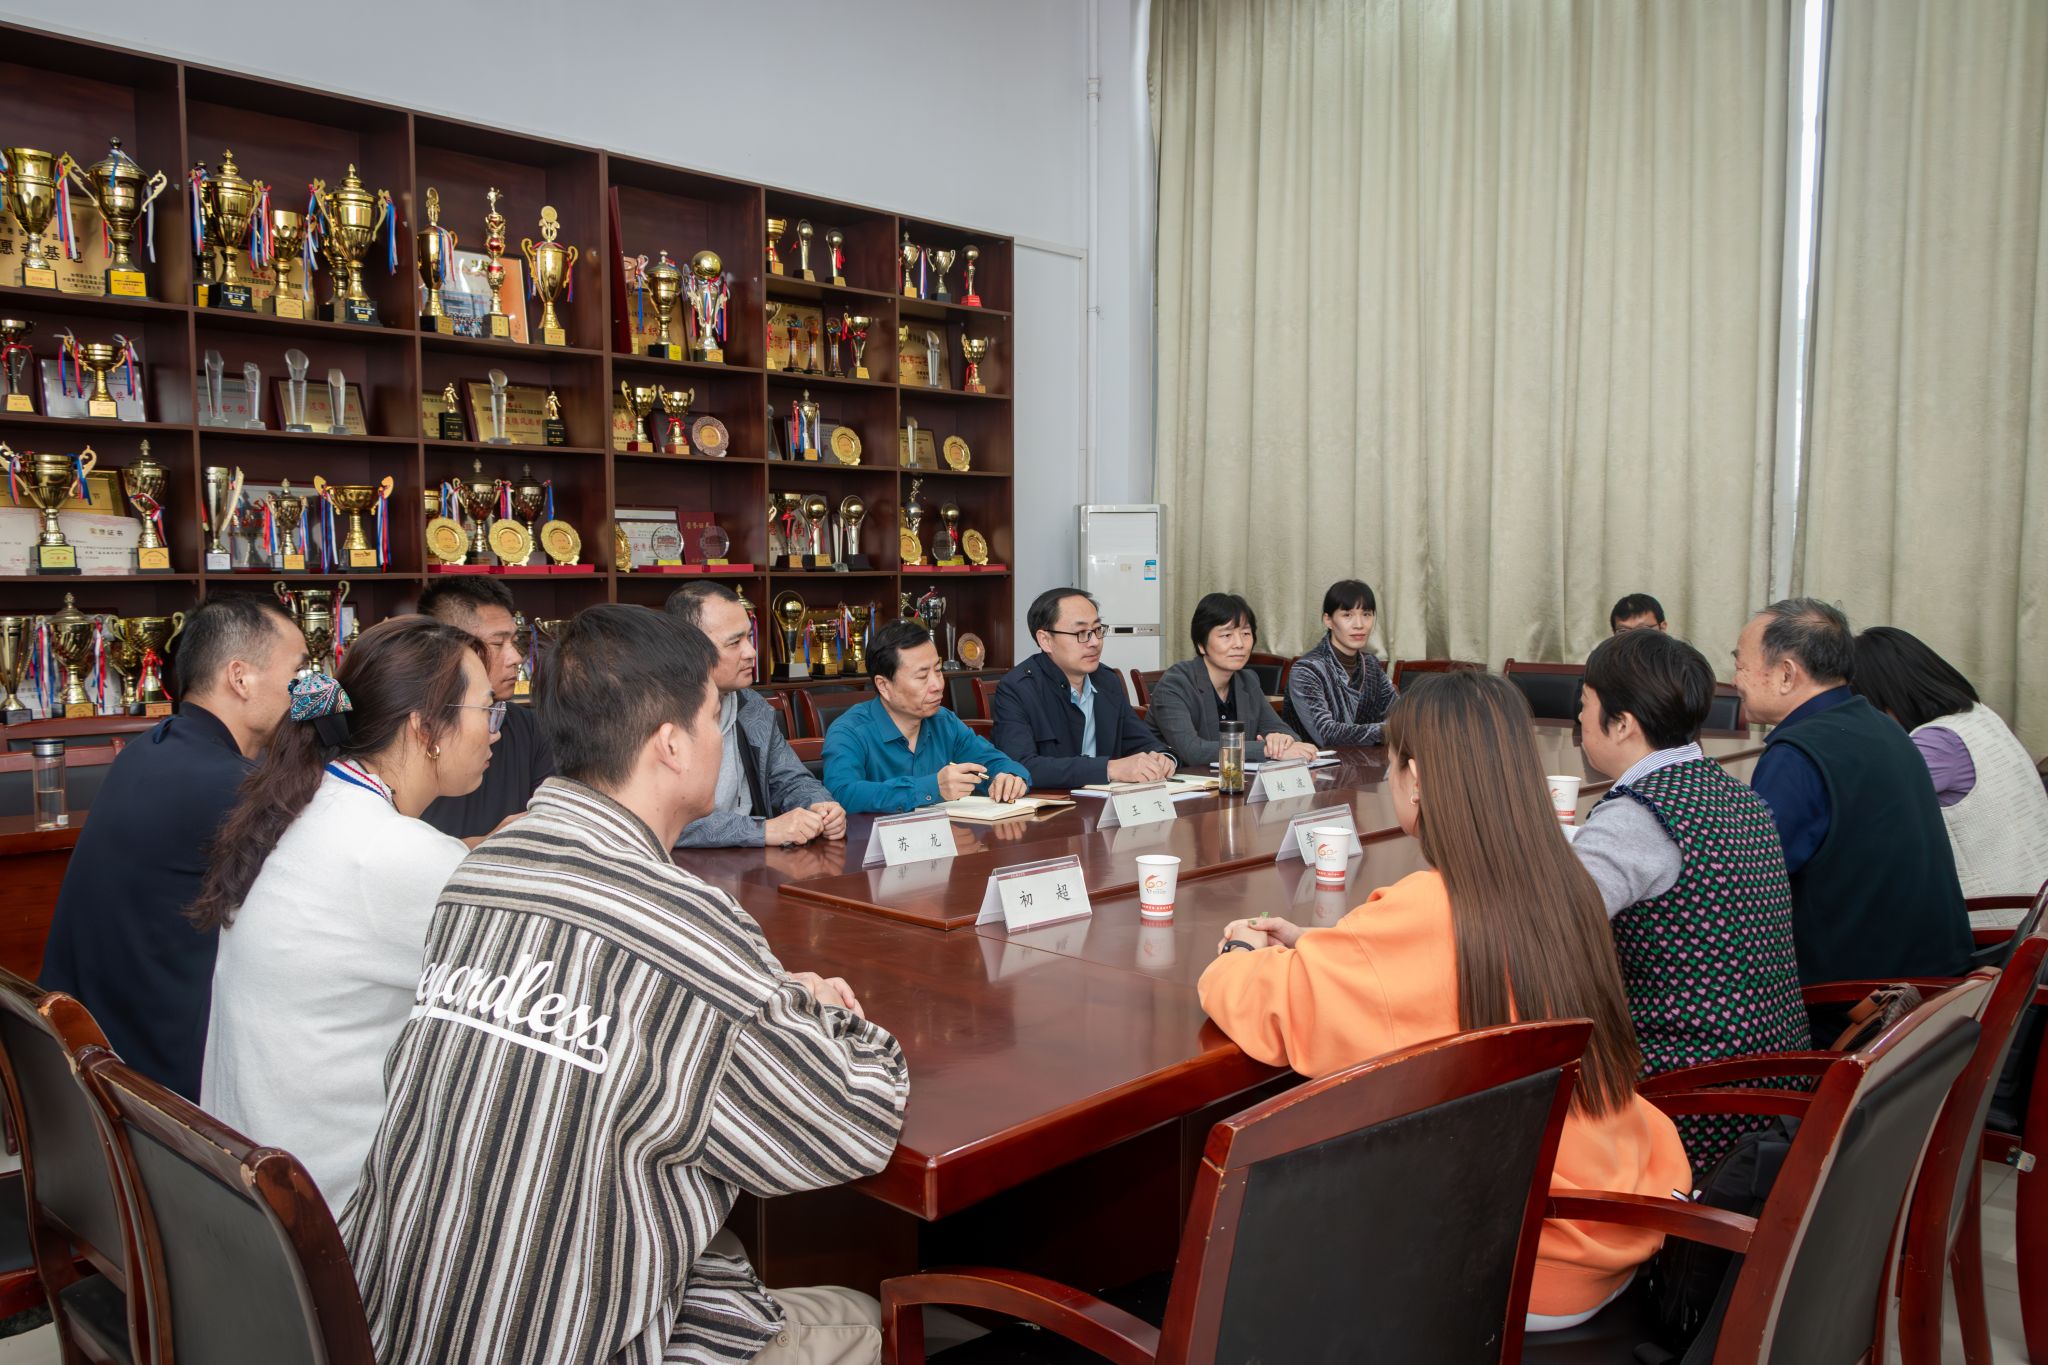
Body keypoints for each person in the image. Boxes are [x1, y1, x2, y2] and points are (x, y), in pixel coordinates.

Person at [343, 605, 909, 1365]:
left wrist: (756, 993)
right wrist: (828, 1015)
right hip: (550, 1340)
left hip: (395, 1323)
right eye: (712, 716)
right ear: (671, 744)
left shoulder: (483, 869)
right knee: (864, 1319)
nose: (721, 736)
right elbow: (852, 1121)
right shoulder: (682, 921)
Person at [1199, 672, 1688, 1329]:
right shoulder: (1562, 883)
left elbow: (1268, 1007)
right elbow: (1439, 968)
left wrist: (1237, 950)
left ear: (1418, 778)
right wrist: (1326, 945)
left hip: (1513, 1260)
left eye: (1394, 764)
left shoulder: (1431, 907)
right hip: (1609, 1222)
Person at [191, 617, 500, 1214]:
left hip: (248, 1184)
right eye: (487, 710)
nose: (495, 731)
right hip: (332, 1211)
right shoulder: (395, 853)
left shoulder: (304, 804)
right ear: (426, 728)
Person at [39, 595, 305, 1101]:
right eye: (297, 673)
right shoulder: (232, 786)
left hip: (85, 1059)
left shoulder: (148, 749)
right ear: (240, 678)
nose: (307, 690)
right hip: (161, 1089)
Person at [1573, 629, 1811, 1171]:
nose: (1580, 719)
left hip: (1690, 1097)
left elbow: (1544, 932)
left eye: (1585, 704)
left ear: (1622, 723)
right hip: (1775, 1084)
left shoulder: (1637, 816)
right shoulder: (1739, 796)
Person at [1733, 598, 1971, 983]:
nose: (1736, 681)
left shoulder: (1798, 755)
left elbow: (1751, 887)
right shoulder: (1883, 726)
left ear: (1786, 674)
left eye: (1741, 666)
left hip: (1856, 997)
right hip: (1936, 983)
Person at [1851, 626, 2048, 899]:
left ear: (1885, 697)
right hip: (2034, 892)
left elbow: (1862, 809)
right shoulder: (1977, 715)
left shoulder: (1935, 744)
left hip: (1996, 908)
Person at [665, 581, 846, 847]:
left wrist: (819, 805)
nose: (751, 652)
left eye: (748, 637)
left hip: (747, 859)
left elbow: (789, 778)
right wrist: (761, 830)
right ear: (689, 649)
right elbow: (661, 820)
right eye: (734, 642)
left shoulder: (751, 706)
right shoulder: (653, 716)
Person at [823, 620, 1031, 814]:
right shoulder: (849, 732)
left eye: (938, 671)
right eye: (922, 676)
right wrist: (932, 787)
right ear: (884, 685)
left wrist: (1010, 777)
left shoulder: (944, 721)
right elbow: (843, 795)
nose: (938, 685)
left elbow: (995, 763)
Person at [990, 587, 1177, 788]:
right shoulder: (1017, 689)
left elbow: (1141, 741)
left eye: (1097, 630)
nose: (1095, 642)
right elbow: (1019, 766)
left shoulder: (1107, 681)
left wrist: (1163, 758)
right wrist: (1108, 769)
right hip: (1054, 804)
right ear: (1045, 640)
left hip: (1106, 802)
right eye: (1081, 633)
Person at [416, 577, 554, 842]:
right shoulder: (406, 731)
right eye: (498, 644)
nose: (516, 658)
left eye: (514, 641)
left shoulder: (532, 729)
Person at [1147, 592, 1319, 768]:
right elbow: (1193, 752)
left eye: (1245, 633)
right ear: (1201, 645)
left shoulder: (1248, 681)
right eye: (1226, 635)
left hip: (1234, 780)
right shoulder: (1175, 684)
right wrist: (1266, 749)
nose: (1239, 644)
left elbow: (1285, 731)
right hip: (1182, 781)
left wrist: (1281, 739)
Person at [1284, 578, 1399, 746]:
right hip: (1316, 761)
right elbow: (1326, 734)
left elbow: (1400, 714)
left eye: (1366, 614)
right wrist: (1390, 730)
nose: (1359, 625)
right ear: (1328, 620)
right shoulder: (1306, 670)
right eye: (1347, 615)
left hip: (1366, 761)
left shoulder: (1371, 665)